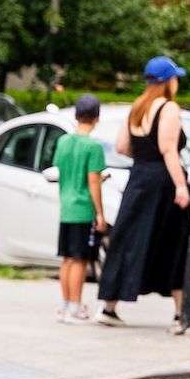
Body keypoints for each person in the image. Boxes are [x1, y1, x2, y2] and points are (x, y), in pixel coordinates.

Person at [97, 58, 190, 333]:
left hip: (138, 178)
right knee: (176, 242)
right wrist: (181, 186)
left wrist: (143, 158)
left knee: (128, 239)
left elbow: (121, 146)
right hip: (162, 182)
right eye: (175, 78)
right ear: (167, 82)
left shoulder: (137, 107)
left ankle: (109, 307)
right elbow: (168, 150)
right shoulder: (169, 108)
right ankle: (180, 313)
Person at [55, 94, 108, 324]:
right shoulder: (93, 146)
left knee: (66, 258)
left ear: (76, 115)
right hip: (83, 207)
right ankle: (75, 307)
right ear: (97, 117)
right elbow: (93, 180)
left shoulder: (63, 142)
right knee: (80, 259)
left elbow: (60, 170)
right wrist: (100, 213)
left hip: (66, 205)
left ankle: (67, 305)